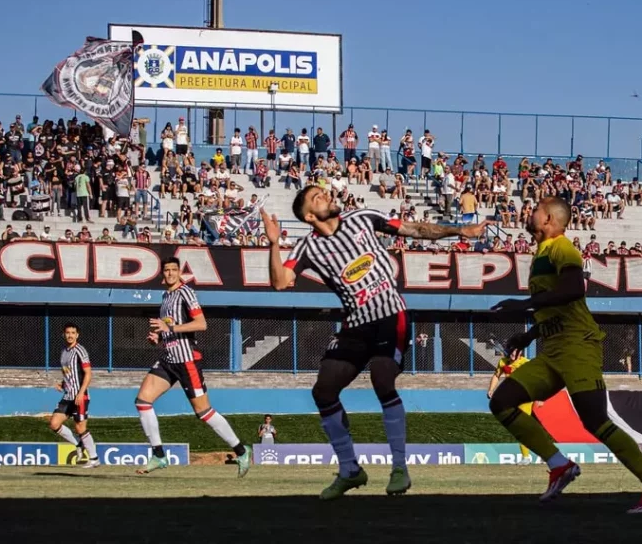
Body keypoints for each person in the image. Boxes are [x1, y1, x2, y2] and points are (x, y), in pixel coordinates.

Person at [261, 186, 491, 500]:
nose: (326, 195)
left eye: (324, 192)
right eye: (317, 197)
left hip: (389, 315)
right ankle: (350, 470)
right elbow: (280, 282)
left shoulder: (362, 218)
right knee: (323, 390)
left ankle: (400, 468)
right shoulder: (306, 248)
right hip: (355, 325)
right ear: (309, 216)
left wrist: (458, 230)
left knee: (383, 379)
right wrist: (274, 244)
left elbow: (416, 229)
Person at [488, 197, 642, 514]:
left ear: (548, 219)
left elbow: (575, 289)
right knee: (502, 401)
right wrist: (529, 334)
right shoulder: (542, 253)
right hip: (553, 349)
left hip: (577, 346)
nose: (528, 213)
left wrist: (523, 305)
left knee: (595, 420)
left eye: (534, 210)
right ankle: (559, 464)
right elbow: (557, 306)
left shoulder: (562, 248)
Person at [134, 257, 252, 476]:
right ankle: (159, 455)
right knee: (142, 401)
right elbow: (171, 328)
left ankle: (241, 450)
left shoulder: (185, 293)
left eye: (173, 270)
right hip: (169, 358)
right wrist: (158, 337)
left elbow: (201, 324)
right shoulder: (166, 296)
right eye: (166, 270)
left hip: (187, 360)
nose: (169, 273)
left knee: (203, 412)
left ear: (180, 273)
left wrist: (170, 328)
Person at [48, 323, 100, 468]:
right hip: (68, 396)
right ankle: (78, 444)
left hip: (80, 396)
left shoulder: (80, 350)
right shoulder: (64, 352)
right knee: (54, 423)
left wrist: (81, 392)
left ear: (77, 335)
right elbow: (69, 374)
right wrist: (62, 384)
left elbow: (88, 373)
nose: (70, 335)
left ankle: (94, 459)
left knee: (80, 427)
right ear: (63, 334)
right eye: (68, 332)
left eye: (73, 333)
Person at [486, 349, 534, 466]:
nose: (513, 354)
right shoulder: (503, 362)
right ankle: (529, 454)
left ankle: (527, 456)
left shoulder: (526, 363)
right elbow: (496, 375)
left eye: (516, 352)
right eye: (511, 351)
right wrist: (491, 389)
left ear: (521, 353)